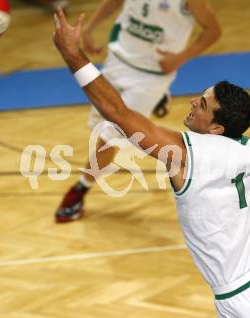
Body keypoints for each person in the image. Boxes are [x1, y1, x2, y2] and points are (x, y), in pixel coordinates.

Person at [52, 8, 250, 317]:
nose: (192, 101)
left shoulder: (185, 156)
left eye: (202, 104)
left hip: (246, 301)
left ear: (217, 128)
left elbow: (118, 113)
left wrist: (73, 55)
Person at [55, 0, 221, 222]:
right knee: (99, 126)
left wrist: (180, 58)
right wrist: (89, 28)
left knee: (109, 136)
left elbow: (214, 31)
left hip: (150, 75)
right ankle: (157, 99)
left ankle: (80, 188)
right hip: (118, 60)